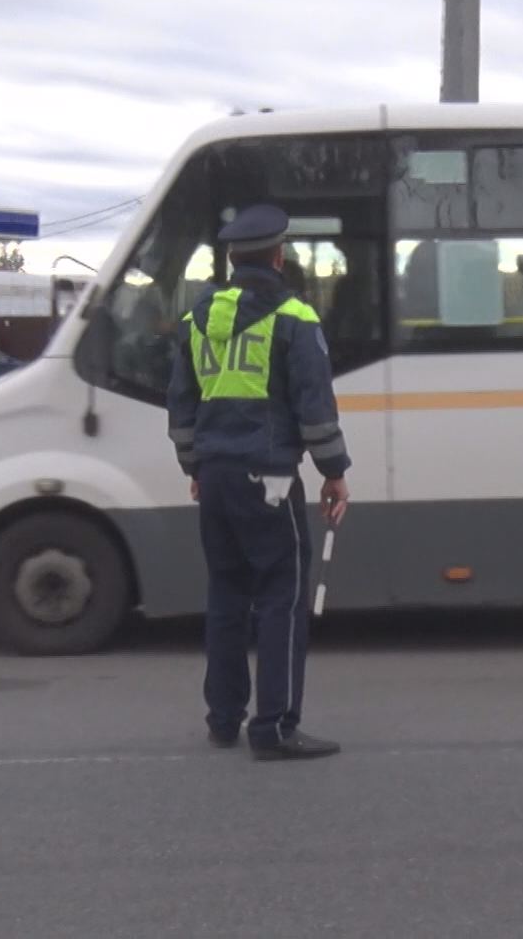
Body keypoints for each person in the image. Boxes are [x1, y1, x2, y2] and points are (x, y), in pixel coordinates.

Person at [167, 203, 350, 762]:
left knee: (226, 595)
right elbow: (314, 406)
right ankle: (274, 727)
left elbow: (181, 405)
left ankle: (224, 719)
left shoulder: (198, 320)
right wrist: (334, 472)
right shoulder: (293, 317)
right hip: (268, 478)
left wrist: (195, 467)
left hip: (216, 481)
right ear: (278, 256)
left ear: (230, 258)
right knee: (282, 598)